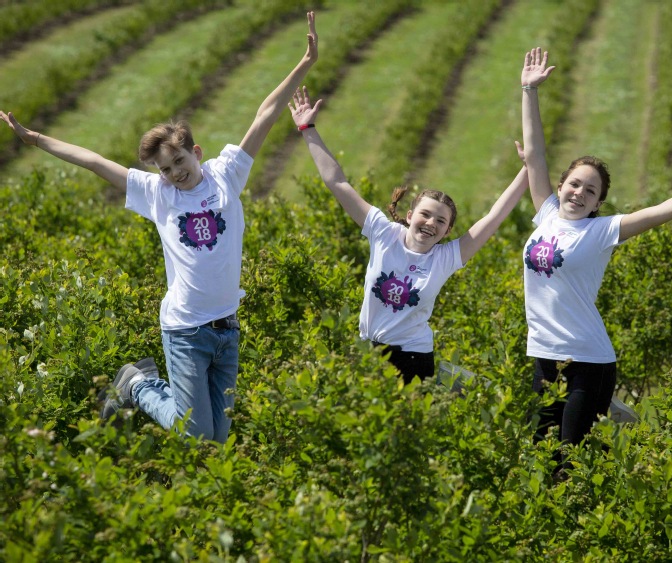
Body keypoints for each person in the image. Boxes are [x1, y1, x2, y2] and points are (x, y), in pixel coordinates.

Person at [0, 12, 319, 443]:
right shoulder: (157, 193)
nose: (175, 174)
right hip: (186, 329)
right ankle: (137, 384)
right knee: (196, 436)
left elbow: (263, 115)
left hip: (227, 328)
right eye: (166, 169)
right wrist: (37, 139)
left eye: (179, 163)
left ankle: (143, 391)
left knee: (217, 443)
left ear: (196, 152)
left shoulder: (227, 174)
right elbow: (95, 161)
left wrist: (304, 62)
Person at [520, 47, 672, 454]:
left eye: (590, 191)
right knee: (540, 454)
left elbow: (661, 210)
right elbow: (535, 154)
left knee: (567, 461)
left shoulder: (602, 231)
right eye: (574, 184)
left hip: (588, 362)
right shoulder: (546, 215)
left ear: (597, 204)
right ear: (560, 187)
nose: (579, 192)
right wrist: (529, 90)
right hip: (542, 355)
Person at [288, 86, 530, 384]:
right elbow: (337, 182)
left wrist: (528, 167)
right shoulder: (383, 232)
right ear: (410, 215)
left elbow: (494, 216)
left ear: (447, 230)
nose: (431, 223)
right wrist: (306, 128)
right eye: (426, 215)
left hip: (413, 359)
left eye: (441, 221)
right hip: (368, 352)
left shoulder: (446, 257)